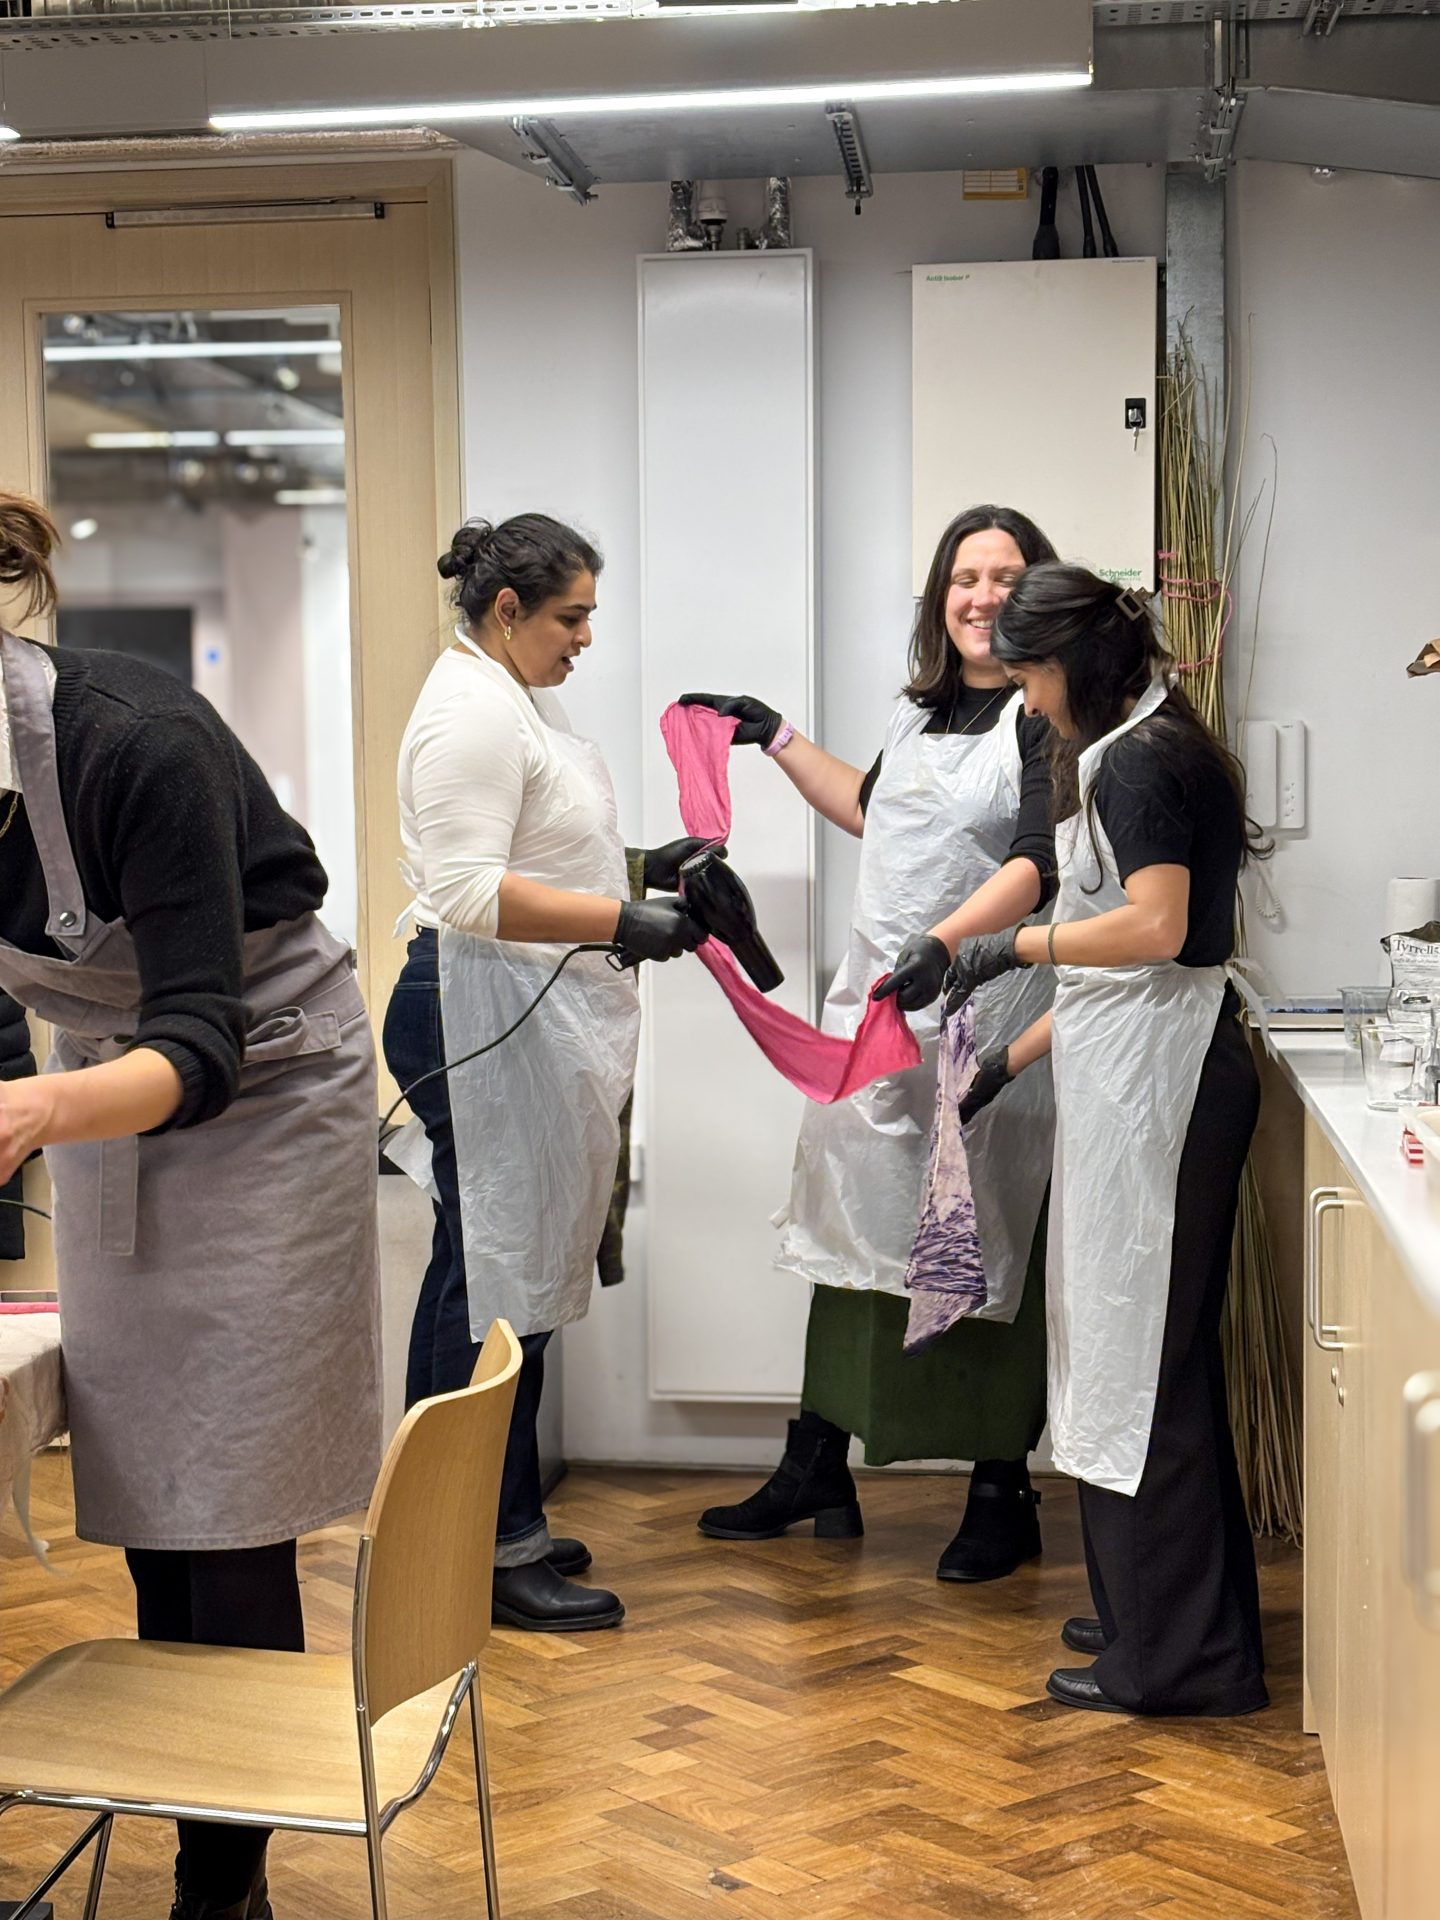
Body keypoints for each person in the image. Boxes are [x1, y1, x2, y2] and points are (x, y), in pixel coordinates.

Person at [0, 492, 382, 1920]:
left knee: (229, 1498)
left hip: (265, 1082)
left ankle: (224, 1883)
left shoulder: (130, 744)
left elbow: (204, 1043)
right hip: (103, 1084)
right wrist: (31, 1094)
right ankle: (191, 1809)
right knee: (157, 1481)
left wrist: (34, 1111)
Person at [887, 563, 1268, 1717]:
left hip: (1177, 1089)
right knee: (1130, 1355)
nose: (1031, 704)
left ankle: (1179, 1662)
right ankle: (1158, 1621)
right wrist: (1005, 1060)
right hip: (1145, 1072)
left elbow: (1151, 933)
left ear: (1080, 668)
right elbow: (1128, 973)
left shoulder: (1146, 762)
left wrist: (1014, 951)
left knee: (1143, 1364)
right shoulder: (1126, 749)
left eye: (1035, 678)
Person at [683, 505, 1059, 1582]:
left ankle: (1000, 1488)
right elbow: (875, 812)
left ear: (1035, 598)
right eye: (965, 577)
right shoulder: (917, 714)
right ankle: (817, 1464)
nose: (982, 596)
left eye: (1005, 578)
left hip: (979, 1013)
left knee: (971, 1245)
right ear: (941, 596)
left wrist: (946, 945)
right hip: (876, 1014)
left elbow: (1036, 863)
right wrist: (778, 738)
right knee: (844, 1236)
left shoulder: (1041, 719)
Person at [385, 514, 705, 1634]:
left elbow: (534, 849)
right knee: (488, 1281)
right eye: (570, 618)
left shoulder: (516, 699)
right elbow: (471, 889)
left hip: (518, 1014)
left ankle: (489, 1513)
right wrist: (624, 914)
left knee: (505, 1277)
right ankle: (476, 1539)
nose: (583, 641)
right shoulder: (468, 713)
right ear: (508, 610)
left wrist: (639, 870)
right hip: (473, 1016)